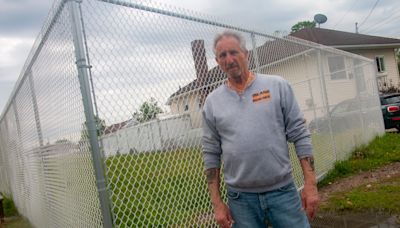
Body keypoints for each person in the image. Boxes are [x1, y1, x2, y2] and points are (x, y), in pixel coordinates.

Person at [202, 30, 320, 228]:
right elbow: (211, 154)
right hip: (241, 201)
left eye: (234, 52)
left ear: (246, 54)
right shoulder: (213, 103)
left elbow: (300, 134)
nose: (229, 59)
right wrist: (218, 204)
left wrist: (311, 185)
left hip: (283, 193)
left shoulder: (277, 86)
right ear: (217, 61)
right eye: (223, 55)